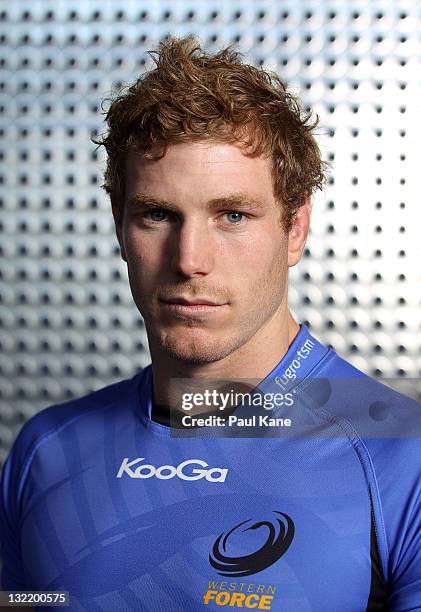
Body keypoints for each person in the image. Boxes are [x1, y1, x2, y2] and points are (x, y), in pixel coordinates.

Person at [1, 35, 420, 612]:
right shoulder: (47, 450)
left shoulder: (401, 456)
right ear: (121, 228)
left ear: (295, 229)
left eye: (232, 215)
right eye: (157, 214)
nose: (189, 258)